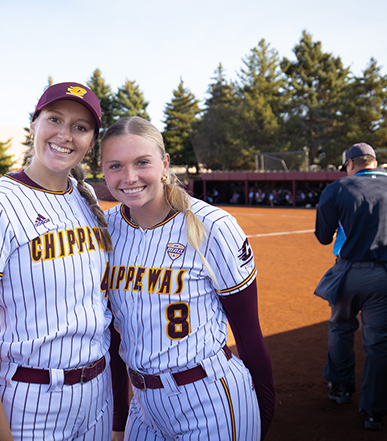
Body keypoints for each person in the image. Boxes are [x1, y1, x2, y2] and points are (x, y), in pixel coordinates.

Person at [0, 82, 115, 441]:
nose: (65, 135)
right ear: (33, 126)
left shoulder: (86, 200)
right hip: (32, 400)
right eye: (54, 119)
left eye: (80, 127)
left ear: (90, 142)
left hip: (98, 394)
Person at [100, 117, 274, 441]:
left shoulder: (212, 226)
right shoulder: (105, 229)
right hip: (144, 404)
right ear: (103, 170)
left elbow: (249, 333)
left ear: (164, 164)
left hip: (210, 399)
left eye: (142, 163)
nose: (130, 177)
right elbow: (110, 335)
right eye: (115, 166)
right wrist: (119, 419)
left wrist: (264, 412)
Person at [314, 142, 387, 431]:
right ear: (374, 163)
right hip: (385, 276)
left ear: (350, 165)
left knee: (340, 329)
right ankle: (374, 413)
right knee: (379, 345)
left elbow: (323, 237)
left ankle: (340, 389)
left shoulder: (337, 188)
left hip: (346, 273)